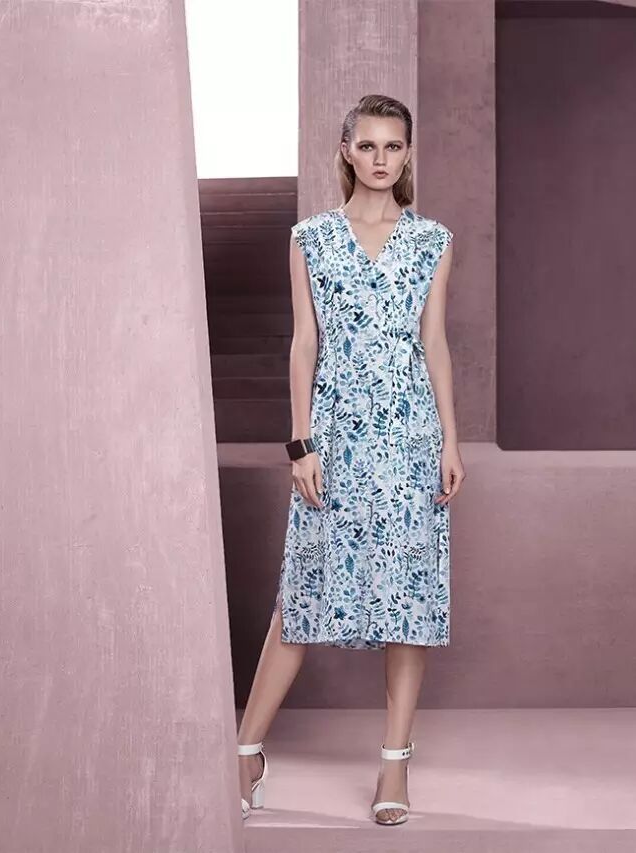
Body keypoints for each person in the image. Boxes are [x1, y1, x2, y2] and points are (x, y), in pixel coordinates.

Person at [234, 94, 464, 826]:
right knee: (303, 593)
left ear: (407, 154)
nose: (380, 159)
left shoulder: (431, 241)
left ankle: (394, 764)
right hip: (334, 435)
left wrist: (451, 439)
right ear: (346, 151)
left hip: (409, 436)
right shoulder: (310, 238)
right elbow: (303, 343)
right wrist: (300, 441)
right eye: (367, 146)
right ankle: (245, 750)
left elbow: (434, 342)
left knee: (409, 598)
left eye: (393, 146)